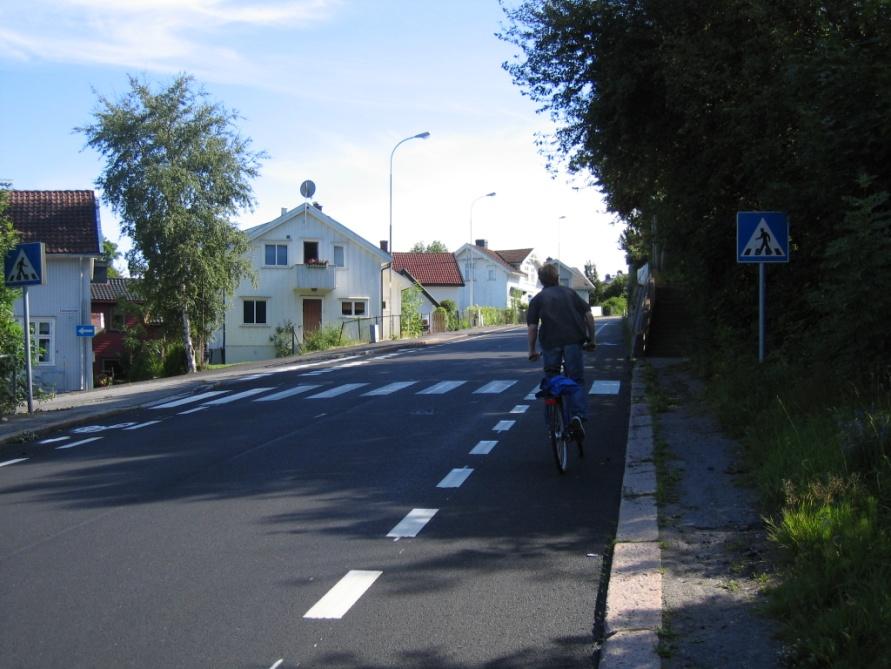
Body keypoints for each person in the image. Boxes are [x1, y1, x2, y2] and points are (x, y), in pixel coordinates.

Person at [527, 263, 597, 438]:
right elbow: (588, 315)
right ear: (557, 278)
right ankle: (577, 416)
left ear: (541, 280)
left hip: (550, 343)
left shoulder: (537, 300)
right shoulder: (570, 293)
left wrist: (532, 350)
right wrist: (592, 339)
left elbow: (533, 327)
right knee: (576, 380)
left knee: (552, 381)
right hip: (574, 341)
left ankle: (553, 425)